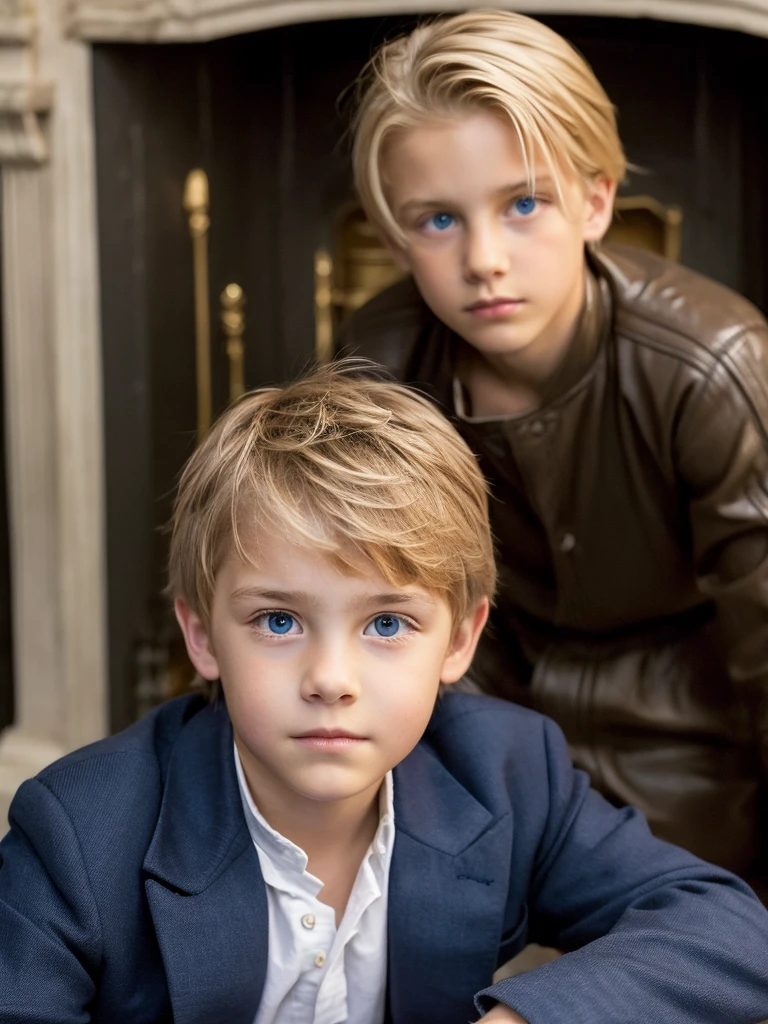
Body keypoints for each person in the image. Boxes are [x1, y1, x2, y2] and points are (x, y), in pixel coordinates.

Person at [1, 361, 767, 1023]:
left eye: (388, 624)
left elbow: (728, 927)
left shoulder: (507, 773)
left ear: (460, 640)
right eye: (277, 620)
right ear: (202, 636)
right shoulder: (77, 832)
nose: (331, 680)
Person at [340, 9, 768, 888]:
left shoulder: (714, 366)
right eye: (438, 221)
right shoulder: (378, 358)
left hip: (692, 763)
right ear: (393, 241)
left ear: (597, 202)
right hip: (474, 745)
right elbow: (348, 601)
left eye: (523, 203)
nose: (485, 258)